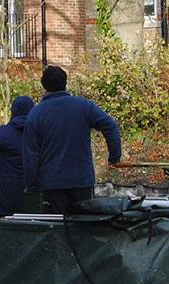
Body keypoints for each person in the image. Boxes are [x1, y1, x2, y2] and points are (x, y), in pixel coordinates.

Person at [22, 65, 122, 214]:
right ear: (65, 82)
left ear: (44, 86)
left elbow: (31, 155)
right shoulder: (84, 106)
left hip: (53, 184)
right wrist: (114, 157)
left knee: (57, 225)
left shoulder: (36, 114)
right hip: (81, 180)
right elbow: (110, 126)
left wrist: (32, 184)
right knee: (83, 223)